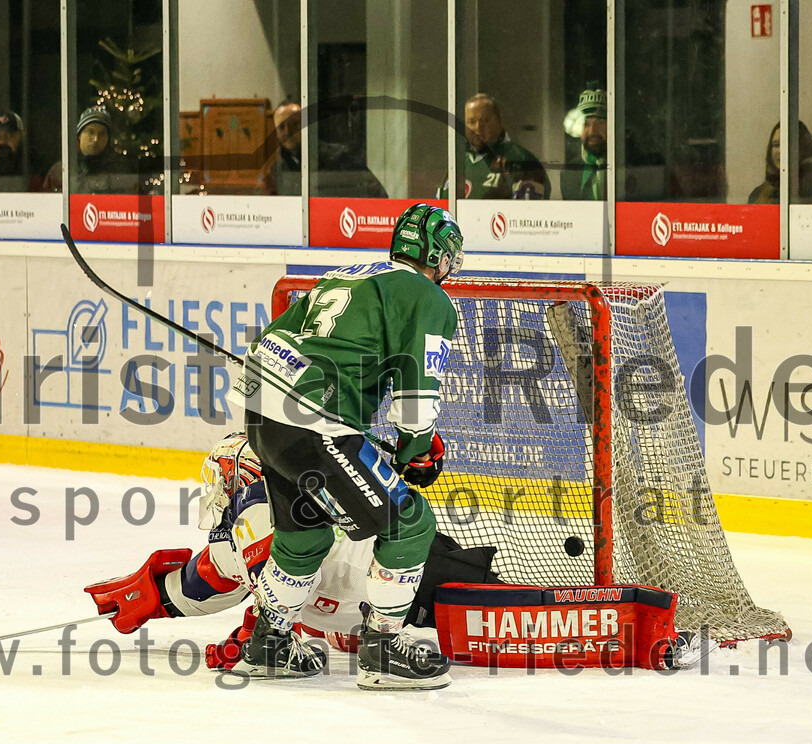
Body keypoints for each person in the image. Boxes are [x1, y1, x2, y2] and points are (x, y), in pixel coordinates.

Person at [228, 203, 463, 690]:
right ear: (440, 257)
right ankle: (383, 651)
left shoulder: (346, 274)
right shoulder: (429, 297)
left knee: (304, 538)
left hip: (263, 416)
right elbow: (417, 394)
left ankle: (268, 644)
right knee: (409, 521)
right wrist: (416, 448)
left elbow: (271, 341)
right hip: (314, 420)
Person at [83, 432, 500, 671]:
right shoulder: (235, 534)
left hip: (414, 576)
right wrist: (151, 594)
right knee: (483, 613)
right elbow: (204, 583)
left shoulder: (262, 508)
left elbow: (278, 579)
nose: (219, 488)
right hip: (380, 605)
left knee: (497, 604)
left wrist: (251, 635)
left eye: (224, 476)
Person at [438, 93, 551, 200]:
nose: (478, 128)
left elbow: (528, 211)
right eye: (471, 122)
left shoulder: (520, 160)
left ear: (499, 121)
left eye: (485, 120)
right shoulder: (458, 162)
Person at [270, 100, 388, 198]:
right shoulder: (278, 170)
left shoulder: (339, 156)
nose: (287, 132)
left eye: (294, 124)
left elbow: (377, 195)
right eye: (281, 127)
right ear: (276, 133)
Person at [43, 106, 133, 194]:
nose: (96, 139)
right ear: (79, 135)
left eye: (102, 134)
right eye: (90, 132)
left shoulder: (117, 171)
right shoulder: (61, 170)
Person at [748, 122, 812, 204]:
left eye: (787, 144)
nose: (780, 151)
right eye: (776, 145)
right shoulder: (758, 194)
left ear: (802, 148)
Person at [561, 88, 607, 201]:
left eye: (600, 123)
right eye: (586, 124)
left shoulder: (628, 167)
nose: (592, 131)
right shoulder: (568, 173)